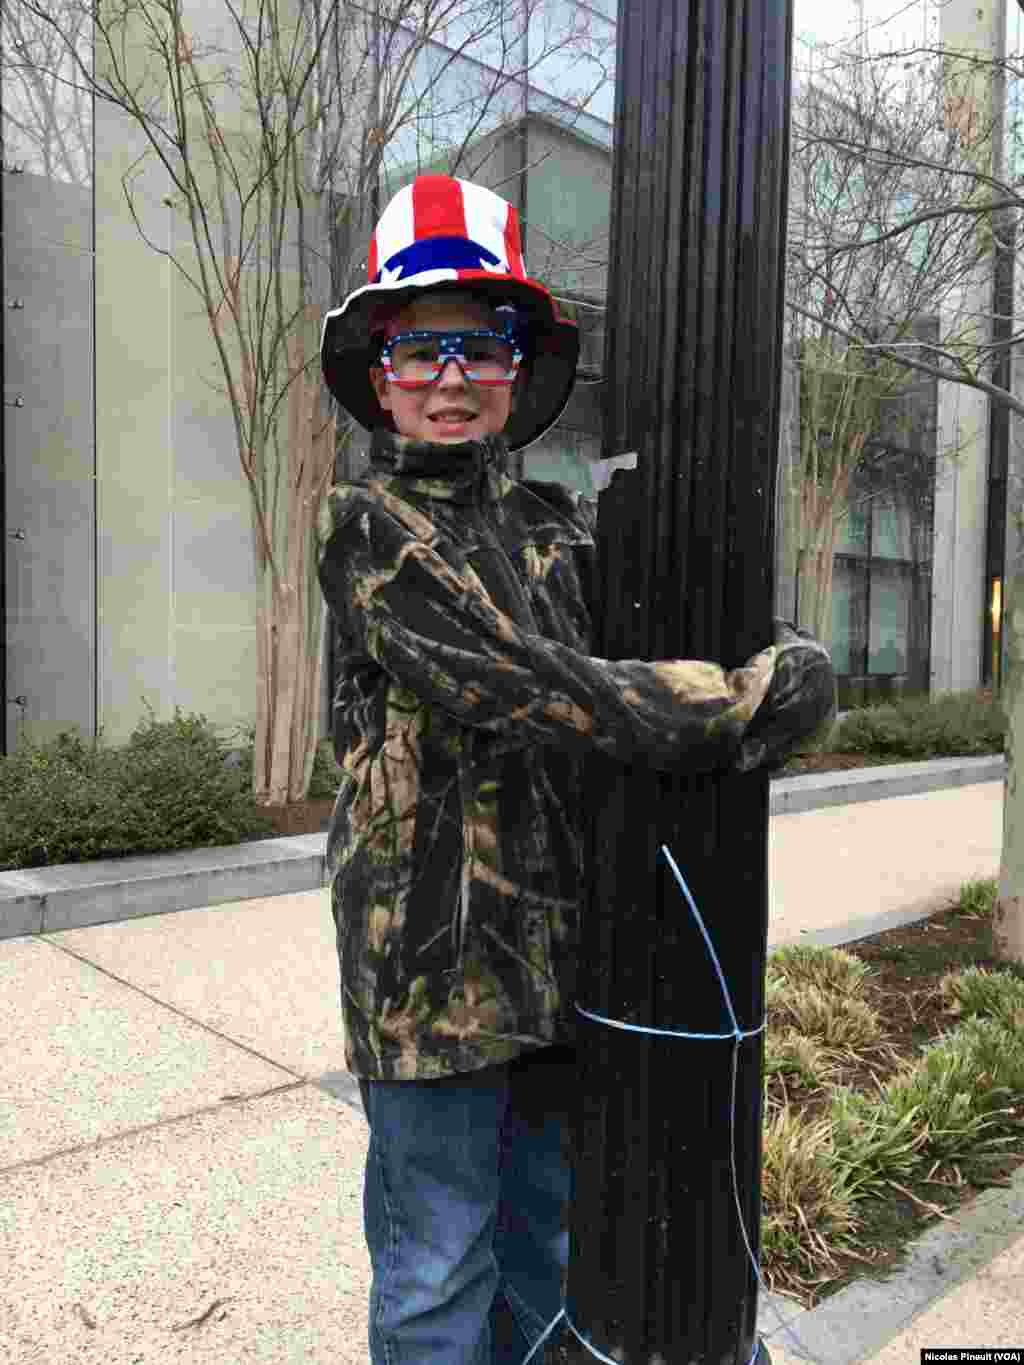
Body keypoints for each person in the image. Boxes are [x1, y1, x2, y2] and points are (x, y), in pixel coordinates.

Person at [317, 174, 836, 1365]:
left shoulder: (555, 529)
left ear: (518, 364)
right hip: (428, 991)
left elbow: (664, 631)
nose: (452, 375)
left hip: (559, 971)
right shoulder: (368, 527)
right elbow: (541, 688)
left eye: (483, 342)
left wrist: (786, 647)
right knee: (437, 1266)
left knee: (546, 1251)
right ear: (382, 368)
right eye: (420, 345)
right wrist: (746, 699)